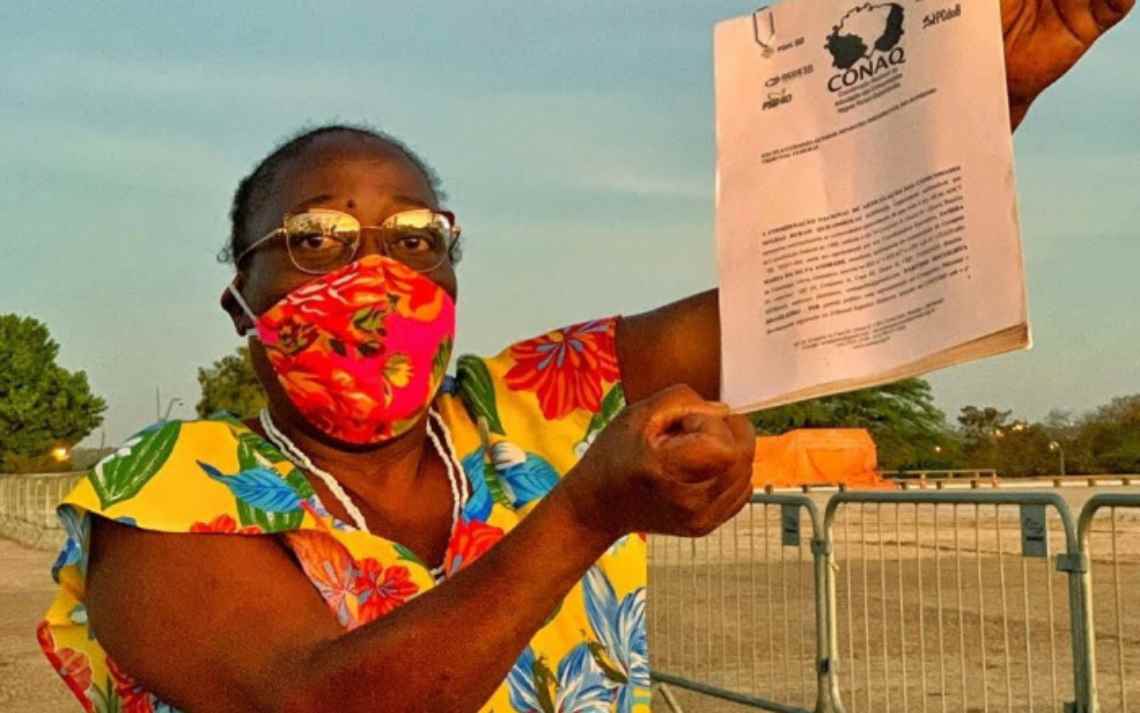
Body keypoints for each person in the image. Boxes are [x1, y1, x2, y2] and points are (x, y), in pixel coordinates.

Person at [37, 3, 1132, 711]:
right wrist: (583, 515)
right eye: (316, 239)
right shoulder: (166, 490)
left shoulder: (532, 401)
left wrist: (968, 104)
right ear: (242, 300)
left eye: (415, 238)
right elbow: (319, 701)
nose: (374, 272)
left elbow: (809, 295)